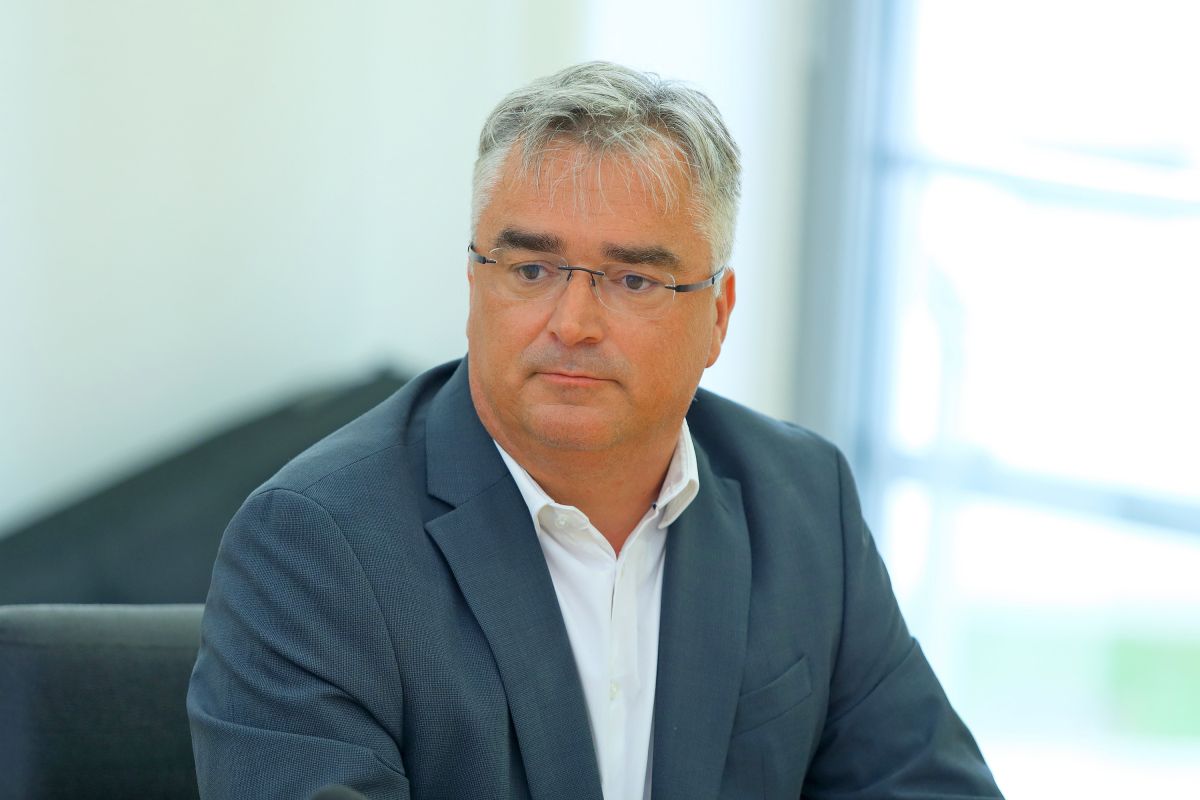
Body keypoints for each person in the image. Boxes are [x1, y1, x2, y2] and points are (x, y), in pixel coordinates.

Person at [188, 61, 1003, 800]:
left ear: (717, 317)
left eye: (633, 279)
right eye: (531, 270)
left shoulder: (803, 503)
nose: (572, 323)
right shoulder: (313, 546)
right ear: (475, 282)